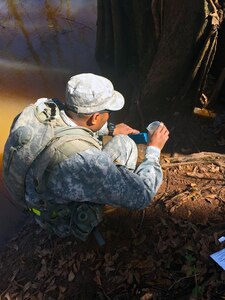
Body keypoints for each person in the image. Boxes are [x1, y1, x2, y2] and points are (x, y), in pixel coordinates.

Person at [24, 73, 169, 240]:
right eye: (108, 112)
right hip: (61, 220)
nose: (109, 116)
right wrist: (154, 150)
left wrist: (109, 129)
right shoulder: (88, 163)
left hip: (39, 198)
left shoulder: (44, 109)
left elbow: (65, 126)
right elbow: (142, 196)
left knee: (123, 141)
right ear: (95, 117)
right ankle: (107, 205)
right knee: (127, 146)